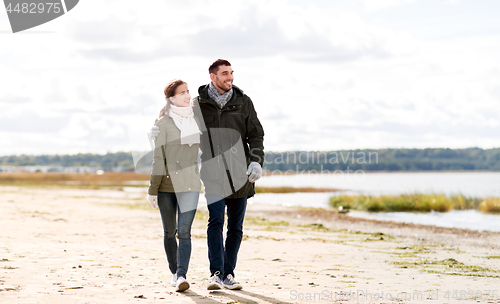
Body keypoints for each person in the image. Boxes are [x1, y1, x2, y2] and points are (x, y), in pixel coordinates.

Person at [151, 59, 265, 290]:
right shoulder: (198, 105)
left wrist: (256, 161)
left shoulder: (243, 101)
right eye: (225, 74)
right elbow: (176, 117)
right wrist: (158, 128)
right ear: (213, 76)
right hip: (212, 174)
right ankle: (216, 273)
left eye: (232, 73)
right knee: (215, 222)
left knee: (235, 227)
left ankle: (228, 274)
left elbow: (256, 135)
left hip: (240, 174)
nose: (230, 77)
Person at [147, 79, 202, 292]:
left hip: (190, 185)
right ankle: (173, 271)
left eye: (188, 92)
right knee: (169, 232)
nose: (188, 96)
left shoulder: (197, 120)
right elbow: (158, 158)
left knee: (184, 232)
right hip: (166, 188)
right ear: (171, 98)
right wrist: (153, 190)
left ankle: (181, 275)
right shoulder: (162, 124)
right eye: (182, 93)